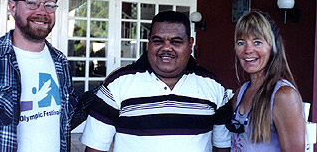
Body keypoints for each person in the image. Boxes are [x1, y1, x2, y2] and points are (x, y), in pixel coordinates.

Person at [0, 0, 95, 152]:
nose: (42, 11)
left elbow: (66, 118)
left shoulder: (60, 62)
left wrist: (107, 88)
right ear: (12, 7)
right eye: (31, 2)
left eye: (50, 5)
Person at [80, 10, 231, 152]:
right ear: (149, 42)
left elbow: (222, 146)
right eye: (158, 41)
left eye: (176, 42)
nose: (166, 48)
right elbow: (95, 147)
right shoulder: (118, 83)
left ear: (190, 44)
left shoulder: (213, 85)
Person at [227, 10, 305, 151]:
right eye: (241, 42)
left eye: (257, 42)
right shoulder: (241, 93)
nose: (248, 50)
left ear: (272, 48)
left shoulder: (283, 95)